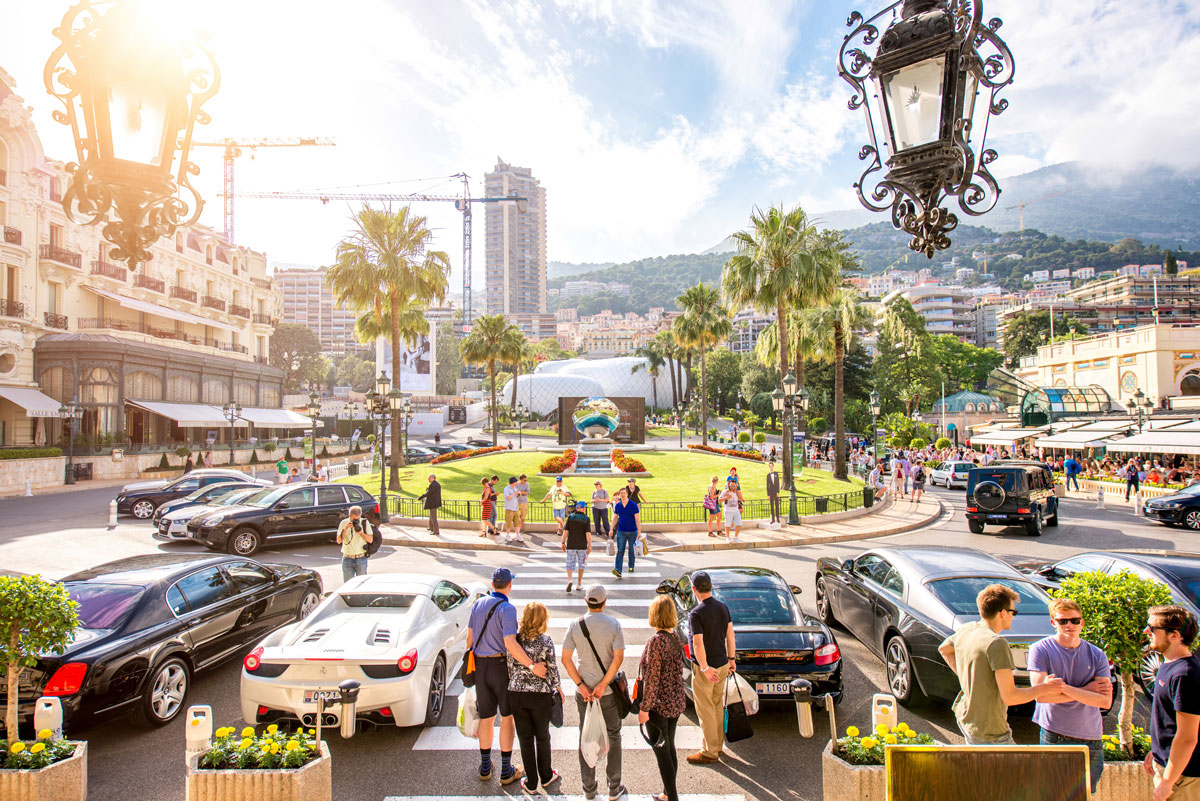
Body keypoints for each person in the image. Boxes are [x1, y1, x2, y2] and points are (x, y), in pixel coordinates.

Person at [937, 584, 1065, 744]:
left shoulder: (967, 629)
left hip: (966, 717)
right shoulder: (997, 643)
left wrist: (968, 678)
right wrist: (1044, 688)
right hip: (991, 733)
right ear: (1003, 613)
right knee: (1019, 769)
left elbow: (944, 649)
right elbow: (1011, 697)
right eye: (1013, 612)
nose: (1013, 616)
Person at [467, 568, 547, 786]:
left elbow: (469, 640)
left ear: (493, 585)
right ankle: (505, 770)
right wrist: (532, 666)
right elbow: (510, 643)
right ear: (509, 585)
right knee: (507, 718)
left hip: (480, 666)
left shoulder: (478, 604)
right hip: (501, 667)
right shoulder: (507, 609)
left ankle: (485, 766)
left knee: (486, 717)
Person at [1029, 597, 1113, 795]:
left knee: (1084, 795)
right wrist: (1088, 690)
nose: (1069, 625)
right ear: (1053, 623)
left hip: (1091, 738)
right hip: (1055, 734)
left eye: (1075, 620)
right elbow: (1041, 696)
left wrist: (1063, 688)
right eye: (1063, 621)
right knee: (1054, 793)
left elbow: (1104, 701)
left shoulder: (1097, 654)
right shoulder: (1040, 649)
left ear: (1082, 622)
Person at [561, 584, 627, 801]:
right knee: (614, 736)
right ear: (604, 602)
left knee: (586, 736)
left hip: (584, 694)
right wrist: (603, 685)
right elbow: (618, 659)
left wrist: (581, 685)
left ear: (586, 602)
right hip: (607, 693)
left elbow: (566, 659)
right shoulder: (614, 624)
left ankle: (589, 789)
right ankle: (613, 787)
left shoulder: (575, 624)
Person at [1145, 604, 1200, 801]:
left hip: (1184, 778)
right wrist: (1157, 751)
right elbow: (1167, 719)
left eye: (1152, 628)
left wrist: (1168, 781)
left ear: (1174, 635)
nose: (1146, 631)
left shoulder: (1185, 675)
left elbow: (1187, 738)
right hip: (1170, 768)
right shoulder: (1168, 665)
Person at [507, 602, 563, 794]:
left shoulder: (515, 640)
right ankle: (546, 776)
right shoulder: (546, 641)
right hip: (541, 694)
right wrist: (558, 688)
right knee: (542, 735)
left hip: (516, 693)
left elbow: (509, 666)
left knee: (524, 738)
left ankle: (531, 782)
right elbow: (552, 668)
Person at [639, 595, 687, 801]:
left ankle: (672, 797)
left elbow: (652, 678)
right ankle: (668, 794)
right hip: (675, 702)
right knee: (670, 748)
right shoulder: (675, 637)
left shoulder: (656, 641)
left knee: (662, 754)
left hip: (659, 705)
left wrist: (644, 708)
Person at [686, 570, 734, 765]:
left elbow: (698, 644)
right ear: (711, 586)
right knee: (716, 707)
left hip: (706, 668)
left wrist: (705, 668)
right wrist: (731, 659)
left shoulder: (696, 613)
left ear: (694, 589)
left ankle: (709, 751)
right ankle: (717, 745)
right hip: (722, 664)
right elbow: (730, 636)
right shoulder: (723, 607)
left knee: (705, 709)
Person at [336, 505, 373, 581]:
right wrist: (346, 529)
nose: (356, 521)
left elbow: (370, 540)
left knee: (361, 584)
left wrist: (360, 532)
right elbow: (339, 541)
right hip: (347, 559)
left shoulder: (364, 522)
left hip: (361, 558)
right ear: (349, 515)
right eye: (354, 519)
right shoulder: (344, 523)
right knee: (348, 584)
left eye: (358, 519)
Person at [562, 500, 592, 593]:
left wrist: (563, 542)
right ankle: (579, 584)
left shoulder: (570, 517)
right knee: (581, 564)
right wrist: (589, 545)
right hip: (582, 545)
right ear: (582, 508)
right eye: (585, 507)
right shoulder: (586, 519)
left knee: (570, 563)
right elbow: (588, 534)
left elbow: (566, 531)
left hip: (571, 544)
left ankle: (570, 580)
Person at [611, 487, 641, 579]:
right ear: (619, 495)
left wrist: (639, 532)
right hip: (621, 531)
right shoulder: (618, 506)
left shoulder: (633, 505)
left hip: (632, 531)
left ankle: (631, 566)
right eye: (621, 493)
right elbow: (615, 517)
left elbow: (637, 519)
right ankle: (618, 569)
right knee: (620, 550)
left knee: (631, 550)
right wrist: (611, 529)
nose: (623, 495)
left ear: (627, 494)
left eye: (624, 493)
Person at [503, 477, 524, 544]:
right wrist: (515, 493)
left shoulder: (514, 488)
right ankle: (507, 535)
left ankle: (518, 535)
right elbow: (507, 498)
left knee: (517, 522)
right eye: (516, 482)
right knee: (508, 523)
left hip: (515, 508)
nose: (517, 483)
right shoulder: (506, 489)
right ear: (513, 482)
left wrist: (518, 495)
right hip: (509, 509)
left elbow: (515, 498)